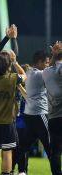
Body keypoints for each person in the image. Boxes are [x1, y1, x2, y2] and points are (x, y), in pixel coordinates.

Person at [0, 51, 27, 175]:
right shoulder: (12, 78)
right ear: (7, 65)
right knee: (7, 152)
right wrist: (15, 62)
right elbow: (24, 74)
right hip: (7, 122)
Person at [19, 50, 51, 175]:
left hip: (27, 116)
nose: (48, 65)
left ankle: (15, 170)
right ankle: (57, 170)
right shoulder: (39, 75)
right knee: (51, 146)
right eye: (46, 63)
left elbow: (26, 95)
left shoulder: (29, 73)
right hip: (38, 114)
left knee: (23, 146)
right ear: (39, 62)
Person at [42, 41, 62, 175]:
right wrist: (57, 55)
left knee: (55, 151)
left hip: (54, 117)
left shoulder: (46, 73)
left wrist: (54, 55)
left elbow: (50, 67)